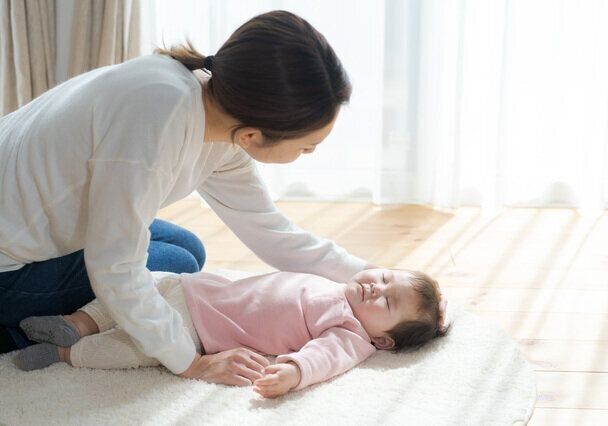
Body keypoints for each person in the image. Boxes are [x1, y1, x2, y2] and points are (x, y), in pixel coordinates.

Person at [0, 10, 378, 384]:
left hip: (22, 223)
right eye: (307, 147)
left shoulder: (207, 103)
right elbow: (115, 270)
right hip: (8, 265)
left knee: (186, 249)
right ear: (253, 135)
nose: (307, 154)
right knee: (175, 265)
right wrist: (191, 362)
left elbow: (268, 230)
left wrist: (373, 276)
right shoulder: (155, 121)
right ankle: (12, 333)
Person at [14, 268, 450, 398]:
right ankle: (77, 323)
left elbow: (325, 358)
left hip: (196, 330)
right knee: (133, 285)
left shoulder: (351, 334)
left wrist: (294, 373)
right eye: (385, 276)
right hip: (194, 286)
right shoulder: (340, 284)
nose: (376, 288)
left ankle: (65, 355)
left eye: (387, 302)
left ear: (383, 340)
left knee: (136, 347)